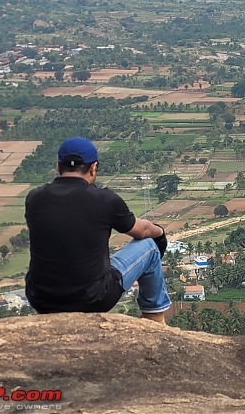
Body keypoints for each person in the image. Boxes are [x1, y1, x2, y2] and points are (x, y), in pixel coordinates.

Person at [24, 137, 171, 323]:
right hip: (93, 299)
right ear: (93, 167)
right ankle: (154, 316)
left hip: (42, 299)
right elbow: (142, 231)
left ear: (58, 167)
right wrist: (160, 233)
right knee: (149, 246)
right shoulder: (105, 199)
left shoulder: (34, 198)